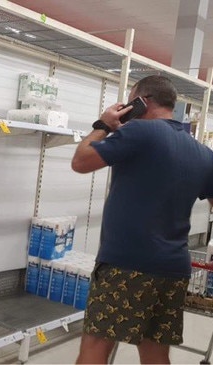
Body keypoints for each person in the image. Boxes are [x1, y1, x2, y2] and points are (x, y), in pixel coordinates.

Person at [71, 75, 213, 364]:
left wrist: (105, 125)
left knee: (95, 348)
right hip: (173, 268)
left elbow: (81, 161)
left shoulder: (140, 132)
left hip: (127, 266)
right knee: (155, 353)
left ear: (142, 102)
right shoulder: (203, 154)